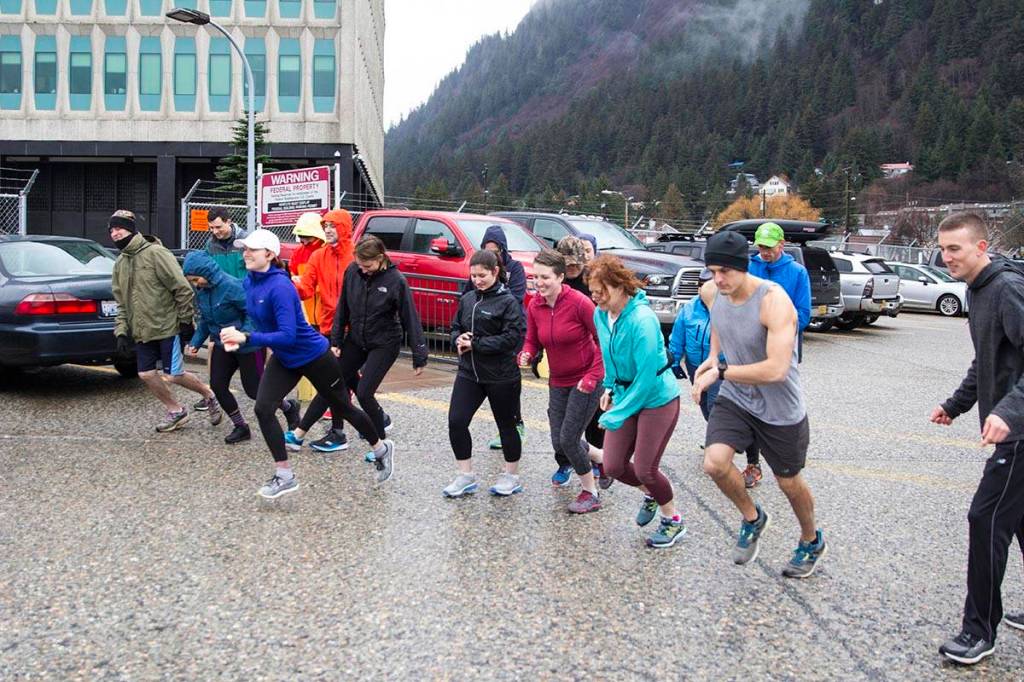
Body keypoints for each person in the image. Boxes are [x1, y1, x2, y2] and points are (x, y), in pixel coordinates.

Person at [220, 229, 395, 499]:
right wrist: (239, 336)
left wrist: (247, 337)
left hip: (314, 356)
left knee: (343, 407)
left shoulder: (281, 287)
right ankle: (284, 475)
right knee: (263, 409)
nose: (246, 254)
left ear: (270, 254)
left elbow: (288, 335)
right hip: (285, 358)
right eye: (245, 249)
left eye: (252, 250)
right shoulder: (250, 282)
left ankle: (381, 448)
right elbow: (260, 321)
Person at [692, 230, 826, 577]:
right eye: (712, 271)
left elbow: (776, 370)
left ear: (743, 266)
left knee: (789, 483)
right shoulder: (712, 291)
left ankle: (811, 539)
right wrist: (713, 354)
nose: (718, 279)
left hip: (779, 406)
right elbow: (719, 318)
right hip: (737, 397)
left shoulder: (774, 301)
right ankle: (752, 518)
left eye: (725, 271)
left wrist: (721, 371)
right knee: (715, 464)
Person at [930, 212, 1024, 666]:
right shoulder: (976, 289)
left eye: (955, 249)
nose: (946, 257)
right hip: (1012, 425)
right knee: (1019, 519)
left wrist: (1008, 412)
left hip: (1020, 432)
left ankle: (978, 631)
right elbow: (987, 358)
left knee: (985, 518)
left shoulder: (1007, 289)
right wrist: (956, 404)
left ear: (981, 247)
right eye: (942, 249)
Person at [590, 255, 686, 548]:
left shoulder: (643, 320)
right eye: (593, 292)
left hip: (657, 399)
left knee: (645, 469)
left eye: (602, 291)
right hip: (625, 394)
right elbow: (609, 356)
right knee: (613, 466)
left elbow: (645, 380)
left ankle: (673, 520)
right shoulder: (601, 314)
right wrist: (609, 388)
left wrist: (617, 413)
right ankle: (651, 494)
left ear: (620, 286)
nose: (596, 297)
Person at [109, 210, 220, 432]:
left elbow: (182, 288)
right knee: (146, 374)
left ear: (130, 229)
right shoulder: (120, 263)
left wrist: (185, 321)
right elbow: (121, 301)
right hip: (142, 330)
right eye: (111, 230)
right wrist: (121, 331)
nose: (115, 233)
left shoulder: (156, 253)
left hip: (167, 327)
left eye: (119, 228)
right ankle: (176, 410)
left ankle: (209, 395)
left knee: (173, 375)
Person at [518, 250, 608, 513]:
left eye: (545, 277)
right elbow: (532, 339)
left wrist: (593, 376)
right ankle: (602, 458)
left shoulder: (579, 303)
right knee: (559, 443)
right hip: (558, 381)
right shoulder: (535, 305)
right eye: (536, 277)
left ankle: (590, 493)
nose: (539, 283)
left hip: (585, 379)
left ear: (560, 277)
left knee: (569, 439)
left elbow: (604, 340)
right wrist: (526, 353)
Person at [182, 251, 300, 444]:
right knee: (218, 385)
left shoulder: (232, 286)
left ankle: (288, 407)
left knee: (255, 390)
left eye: (196, 279)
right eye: (192, 281)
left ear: (206, 272)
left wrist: (242, 335)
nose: (196, 284)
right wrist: (195, 342)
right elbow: (205, 319)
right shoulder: (202, 291)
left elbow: (252, 314)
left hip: (248, 346)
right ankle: (240, 426)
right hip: (222, 343)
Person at [331, 235, 428, 457]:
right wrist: (336, 340)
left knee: (365, 393)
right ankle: (335, 432)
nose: (363, 270)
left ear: (381, 258)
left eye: (367, 266)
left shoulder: (396, 281)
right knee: (336, 381)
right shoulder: (353, 271)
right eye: (360, 265)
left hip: (385, 342)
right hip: (357, 338)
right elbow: (343, 306)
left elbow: (410, 318)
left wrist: (419, 355)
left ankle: (381, 443)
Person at [443, 249, 526, 498]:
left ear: (495, 272)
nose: (477, 280)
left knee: (506, 426)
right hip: (469, 372)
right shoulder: (468, 298)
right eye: (473, 276)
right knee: (456, 421)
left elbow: (512, 338)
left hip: (501, 375)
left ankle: (511, 475)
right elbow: (455, 327)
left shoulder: (508, 302)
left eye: (482, 276)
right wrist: (458, 339)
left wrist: (476, 343)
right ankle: (465, 475)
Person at [740, 222, 812, 489]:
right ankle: (753, 463)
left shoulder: (797, 272)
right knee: (749, 404)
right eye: (761, 246)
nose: (764, 251)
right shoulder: (750, 267)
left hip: (782, 348)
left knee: (781, 405)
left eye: (769, 247)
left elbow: (803, 314)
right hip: (750, 346)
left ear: (782, 244)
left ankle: (788, 458)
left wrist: (776, 329)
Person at [287, 208, 357, 452]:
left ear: (344, 228)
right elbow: (307, 289)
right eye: (325, 226)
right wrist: (290, 286)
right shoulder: (318, 256)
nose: (328, 230)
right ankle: (375, 421)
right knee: (342, 381)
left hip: (354, 329)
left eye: (332, 226)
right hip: (328, 327)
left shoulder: (356, 255)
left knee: (334, 381)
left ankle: (320, 432)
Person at [478, 225, 529, 452]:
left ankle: (516, 424)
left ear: (503, 249)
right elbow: (470, 295)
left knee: (509, 381)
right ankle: (505, 425)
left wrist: (493, 302)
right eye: (487, 249)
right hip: (489, 331)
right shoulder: (481, 269)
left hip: (511, 330)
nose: (492, 254)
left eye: (495, 250)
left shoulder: (515, 268)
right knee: (494, 383)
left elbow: (516, 297)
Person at [669, 268, 719, 420]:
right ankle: (714, 432)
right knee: (703, 403)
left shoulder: (728, 308)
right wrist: (674, 362)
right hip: (695, 366)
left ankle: (718, 433)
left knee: (715, 406)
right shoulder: (690, 307)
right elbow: (678, 337)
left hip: (719, 367)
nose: (702, 289)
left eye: (707, 284)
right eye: (700, 285)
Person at [204, 207, 247, 279]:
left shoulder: (245, 240)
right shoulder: (210, 244)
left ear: (228, 222)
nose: (215, 232)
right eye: (211, 228)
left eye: (218, 227)